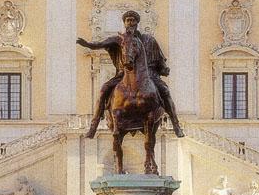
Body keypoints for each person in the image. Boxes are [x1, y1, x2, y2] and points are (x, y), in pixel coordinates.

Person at [76, 10, 184, 138]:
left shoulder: (149, 39)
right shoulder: (119, 39)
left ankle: (176, 125)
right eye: (128, 20)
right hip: (123, 75)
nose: (130, 22)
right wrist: (88, 44)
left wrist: (164, 68)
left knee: (165, 91)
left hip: (148, 75)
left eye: (133, 20)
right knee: (104, 89)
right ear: (124, 23)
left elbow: (160, 58)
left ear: (137, 22)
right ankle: (93, 126)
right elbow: (100, 44)